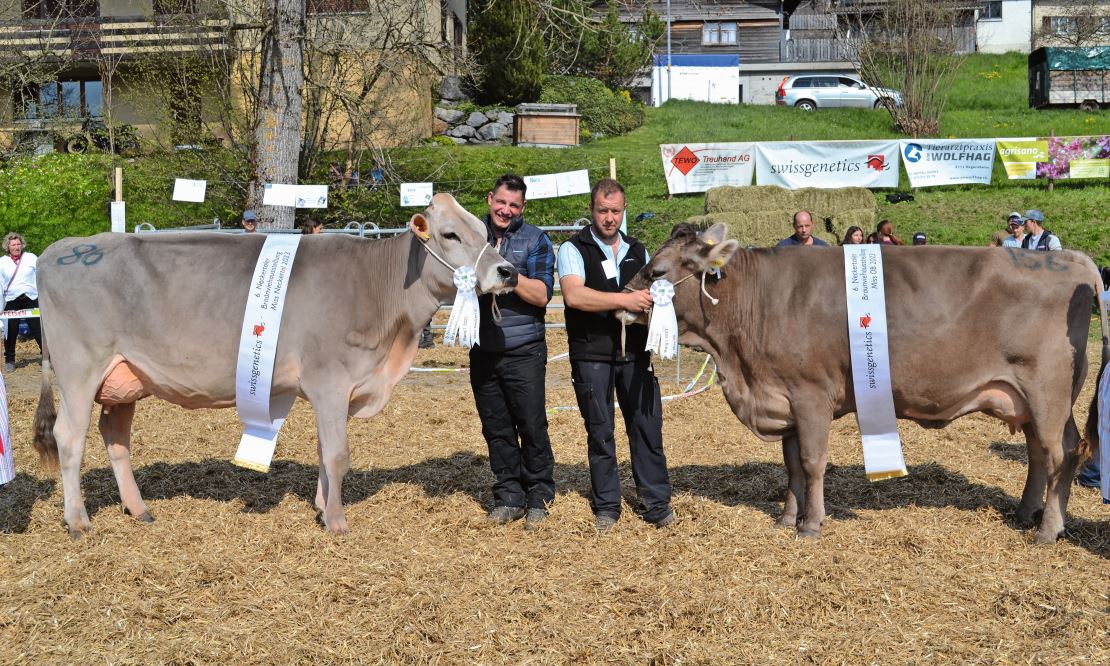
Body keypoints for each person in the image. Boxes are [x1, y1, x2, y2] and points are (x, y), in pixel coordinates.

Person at [557, 178, 674, 533]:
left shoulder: (640, 250)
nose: (609, 218)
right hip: (591, 354)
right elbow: (575, 296)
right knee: (601, 431)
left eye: (616, 211)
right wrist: (624, 301)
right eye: (603, 210)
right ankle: (607, 504)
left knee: (647, 427)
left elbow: (659, 295)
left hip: (636, 355)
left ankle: (656, 503)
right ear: (591, 210)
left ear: (624, 212)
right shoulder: (573, 249)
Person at [469, 174, 556, 530]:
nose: (506, 210)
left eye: (514, 205)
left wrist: (511, 276)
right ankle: (509, 496)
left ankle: (538, 495)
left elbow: (542, 294)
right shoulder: (472, 237)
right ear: (490, 199)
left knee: (532, 424)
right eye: (501, 202)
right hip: (483, 348)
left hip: (524, 349)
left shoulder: (535, 239)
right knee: (496, 426)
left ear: (522, 208)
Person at [0, 232, 43, 372]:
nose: (16, 247)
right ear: (8, 246)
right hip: (11, 299)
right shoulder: (2, 262)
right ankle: (10, 360)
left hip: (31, 297)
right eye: (13, 245)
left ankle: (47, 358)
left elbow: (41, 275)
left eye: (18, 244)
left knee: (38, 329)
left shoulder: (31, 258)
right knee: (10, 331)